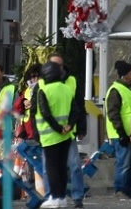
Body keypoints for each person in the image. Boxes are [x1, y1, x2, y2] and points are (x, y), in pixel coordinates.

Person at [35, 61, 82, 208]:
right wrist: (69, 126)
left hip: (50, 136)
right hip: (66, 135)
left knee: (52, 167)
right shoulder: (67, 89)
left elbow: (45, 113)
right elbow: (76, 110)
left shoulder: (43, 90)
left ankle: (54, 197)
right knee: (62, 167)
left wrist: (57, 128)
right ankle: (62, 197)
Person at [48, 54, 87, 208]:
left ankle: (77, 197)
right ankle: (54, 196)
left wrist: (81, 127)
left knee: (75, 164)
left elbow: (79, 107)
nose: (58, 68)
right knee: (51, 168)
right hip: (50, 133)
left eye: (60, 65)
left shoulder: (72, 81)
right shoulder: (42, 83)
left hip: (68, 132)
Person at [105, 60, 131, 199]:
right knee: (123, 164)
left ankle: (130, 189)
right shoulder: (116, 90)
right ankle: (119, 189)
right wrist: (121, 133)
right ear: (125, 75)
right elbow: (113, 114)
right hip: (122, 134)